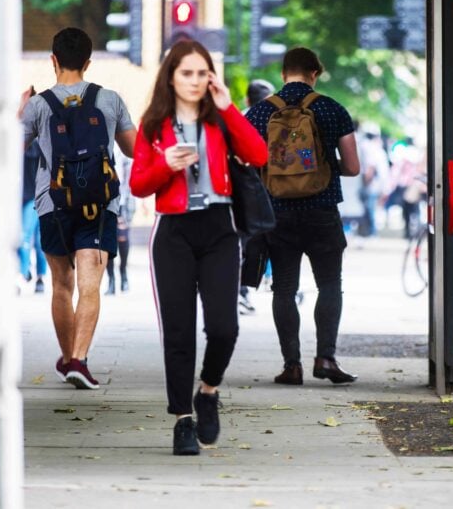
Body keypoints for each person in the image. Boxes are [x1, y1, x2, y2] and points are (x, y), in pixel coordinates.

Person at [129, 39, 267, 456]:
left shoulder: (220, 120)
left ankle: (208, 391)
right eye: (186, 73)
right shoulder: (154, 125)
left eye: (201, 72)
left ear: (211, 77)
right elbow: (138, 184)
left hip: (219, 230)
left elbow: (258, 154)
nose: (194, 80)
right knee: (178, 332)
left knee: (225, 327)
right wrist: (164, 164)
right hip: (173, 233)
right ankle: (181, 420)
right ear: (171, 77)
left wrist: (227, 108)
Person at [19, 27, 136, 390]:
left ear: (53, 61)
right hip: (100, 205)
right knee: (90, 284)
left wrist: (19, 111)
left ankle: (69, 357)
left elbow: (11, 150)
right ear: (88, 62)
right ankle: (79, 360)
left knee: (60, 285)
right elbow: (134, 149)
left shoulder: (39, 106)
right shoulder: (110, 99)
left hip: (51, 203)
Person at [245, 47, 361, 386]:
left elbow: (248, 166)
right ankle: (325, 357)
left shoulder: (259, 113)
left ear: (283, 74)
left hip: (277, 213)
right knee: (329, 285)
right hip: (322, 210)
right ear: (315, 73)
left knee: (283, 288)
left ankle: (291, 365)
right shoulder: (332, 109)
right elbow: (353, 167)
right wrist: (323, 166)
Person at [238, 79, 277, 314]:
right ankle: (248, 289)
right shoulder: (276, 120)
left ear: (246, 99)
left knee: (242, 243)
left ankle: (240, 291)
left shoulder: (239, 119)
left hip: (241, 191)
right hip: (268, 191)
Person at [19, 141, 48, 293]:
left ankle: (30, 275)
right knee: (33, 238)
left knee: (32, 238)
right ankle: (32, 274)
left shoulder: (37, 144)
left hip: (34, 198)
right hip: (27, 198)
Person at [105, 151, 134, 295]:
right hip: (106, 201)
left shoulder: (123, 147)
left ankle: (123, 272)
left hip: (123, 201)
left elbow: (131, 178)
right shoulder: (102, 142)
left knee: (122, 237)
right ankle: (111, 279)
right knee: (108, 240)